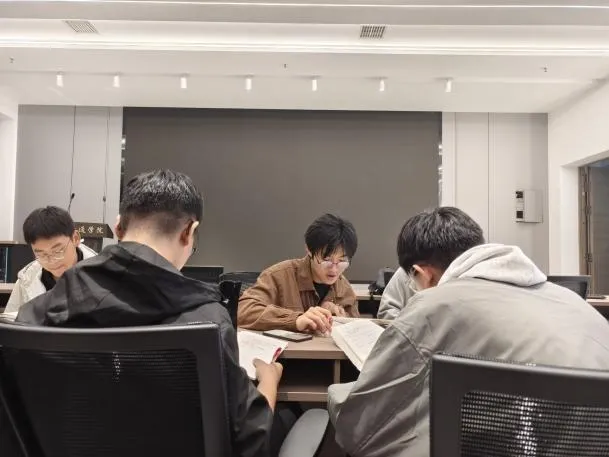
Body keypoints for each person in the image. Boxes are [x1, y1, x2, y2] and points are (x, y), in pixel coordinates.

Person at [13, 170, 282, 457]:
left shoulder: (34, 316)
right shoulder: (207, 319)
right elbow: (249, 442)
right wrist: (269, 381)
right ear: (189, 232)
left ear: (118, 228)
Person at [328, 206, 609, 457]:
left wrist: (335, 393)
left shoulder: (434, 303)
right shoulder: (571, 300)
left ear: (423, 274)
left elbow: (360, 429)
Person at [238, 213, 359, 333]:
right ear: (309, 250)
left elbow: (357, 328)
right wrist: (295, 320)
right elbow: (242, 310)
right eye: (326, 260)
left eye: (342, 261)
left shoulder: (343, 286)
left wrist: (340, 317)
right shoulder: (279, 276)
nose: (334, 269)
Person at [5, 206, 97, 313]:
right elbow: (11, 319)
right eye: (41, 254)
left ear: (75, 238)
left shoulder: (101, 274)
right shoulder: (26, 279)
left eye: (57, 251)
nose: (51, 261)